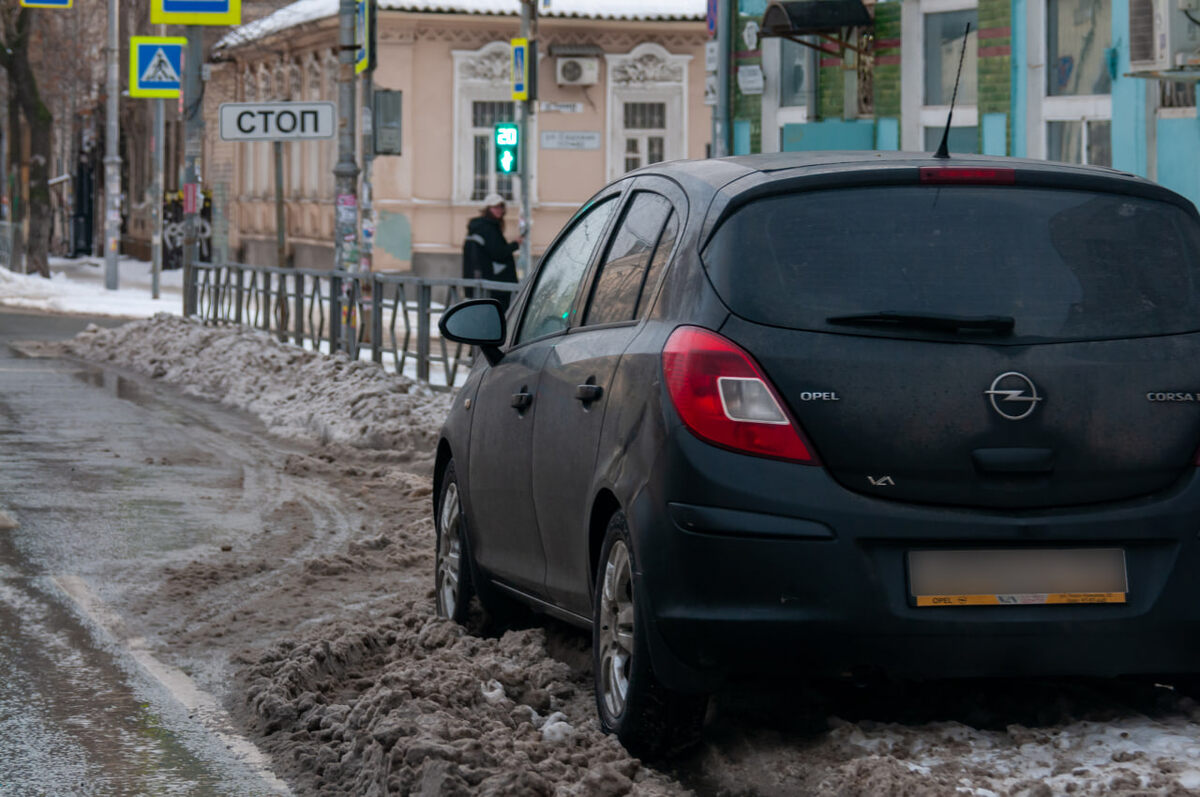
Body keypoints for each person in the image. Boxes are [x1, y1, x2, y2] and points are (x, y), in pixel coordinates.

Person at [462, 193, 520, 312]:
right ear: (487, 209)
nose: (499, 210)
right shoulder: (488, 228)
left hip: (483, 282)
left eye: (500, 207)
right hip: (494, 284)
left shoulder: (480, 226)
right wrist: (515, 244)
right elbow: (498, 253)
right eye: (495, 207)